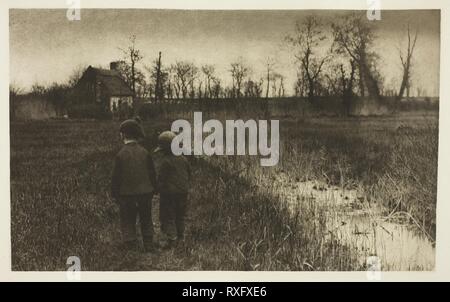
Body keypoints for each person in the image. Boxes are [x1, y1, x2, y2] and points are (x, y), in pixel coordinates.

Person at [111, 119, 158, 252]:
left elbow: (116, 177)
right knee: (146, 218)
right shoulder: (145, 152)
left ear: (124, 135)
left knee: (127, 219)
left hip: (127, 195)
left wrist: (115, 193)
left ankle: (130, 244)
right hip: (145, 193)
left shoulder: (120, 155)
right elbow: (151, 172)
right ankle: (148, 243)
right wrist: (154, 189)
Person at [155, 131, 191, 246]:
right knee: (180, 215)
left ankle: (172, 240)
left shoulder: (166, 162)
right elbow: (189, 174)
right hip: (183, 192)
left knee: (168, 216)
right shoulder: (184, 159)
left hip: (169, 194)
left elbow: (161, 179)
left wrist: (157, 190)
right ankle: (181, 237)